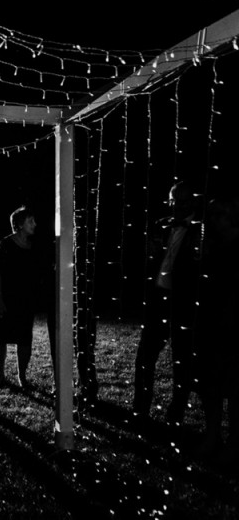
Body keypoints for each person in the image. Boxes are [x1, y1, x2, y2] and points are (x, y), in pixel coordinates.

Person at [132, 180, 201, 426]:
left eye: (182, 201)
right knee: (145, 356)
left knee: (180, 360)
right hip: (158, 298)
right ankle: (140, 409)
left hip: (183, 302)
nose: (176, 207)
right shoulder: (162, 226)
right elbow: (150, 260)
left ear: (191, 202)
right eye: (173, 201)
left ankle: (176, 415)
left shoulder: (200, 229)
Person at [194, 194, 239, 461]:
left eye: (220, 216)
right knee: (210, 384)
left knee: (234, 389)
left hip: (233, 325)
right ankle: (212, 435)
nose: (215, 222)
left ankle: (233, 442)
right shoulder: (212, 246)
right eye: (212, 217)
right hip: (212, 322)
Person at [0, 205, 41, 388]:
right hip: (4, 295)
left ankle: (22, 376)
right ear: (19, 224)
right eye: (30, 221)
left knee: (24, 337)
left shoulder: (34, 246)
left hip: (24, 298)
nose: (34, 224)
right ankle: (0, 373)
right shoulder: (5, 244)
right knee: (0, 336)